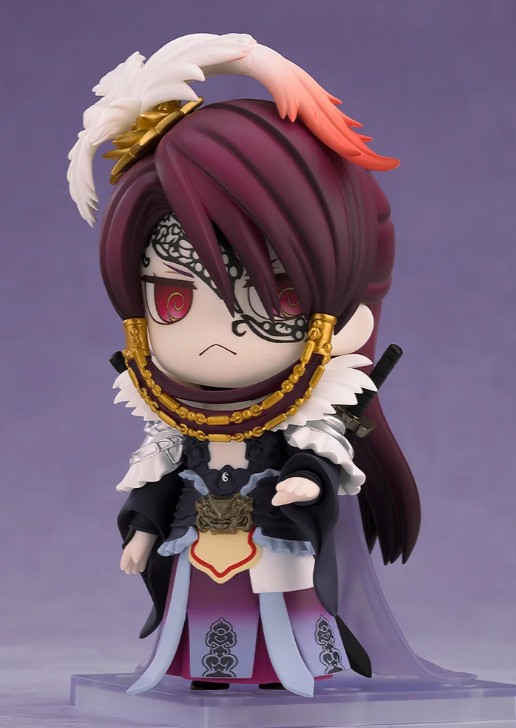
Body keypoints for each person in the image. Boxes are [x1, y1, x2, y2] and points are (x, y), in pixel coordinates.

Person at [68, 32, 471, 697]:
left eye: (272, 299)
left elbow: (315, 457)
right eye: (173, 300)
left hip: (274, 541)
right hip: (198, 544)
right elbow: (161, 481)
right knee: (203, 615)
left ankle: (281, 672)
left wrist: (307, 483)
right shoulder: (174, 420)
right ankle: (207, 673)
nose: (218, 337)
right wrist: (141, 531)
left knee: (280, 612)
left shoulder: (306, 412)